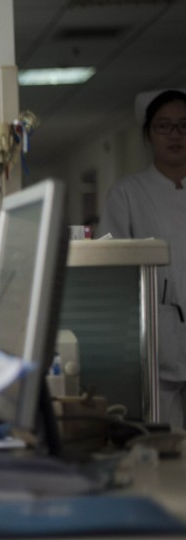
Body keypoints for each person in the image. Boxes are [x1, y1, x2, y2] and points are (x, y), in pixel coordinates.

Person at [98, 88, 186, 429]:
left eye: (183, 125)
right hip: (155, 337)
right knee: (169, 440)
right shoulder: (128, 193)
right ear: (148, 134)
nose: (175, 135)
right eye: (164, 126)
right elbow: (113, 267)